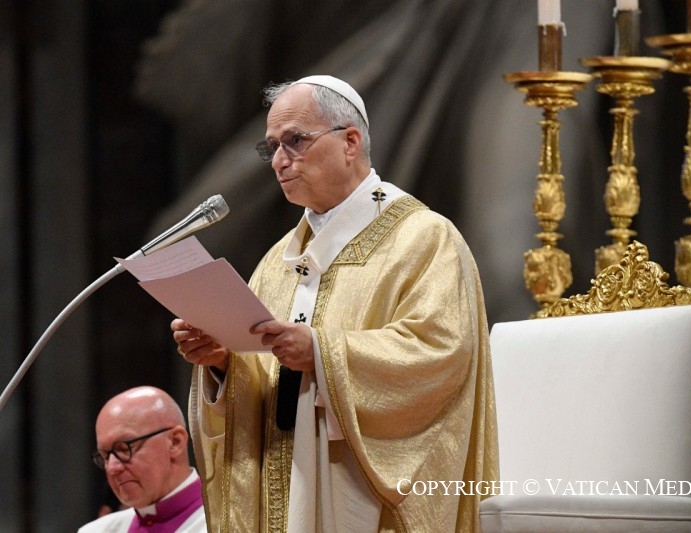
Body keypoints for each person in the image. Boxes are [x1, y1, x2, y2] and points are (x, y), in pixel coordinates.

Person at [171, 74, 498, 532]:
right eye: (271, 148)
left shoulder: (424, 238)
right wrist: (223, 362)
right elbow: (265, 380)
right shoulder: (278, 262)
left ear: (350, 142)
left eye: (295, 141)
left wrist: (322, 355)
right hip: (286, 487)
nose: (279, 161)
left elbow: (443, 353)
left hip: (360, 497)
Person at [79, 386, 206, 532]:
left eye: (124, 448)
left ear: (175, 442)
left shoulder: (228, 524)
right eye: (105, 456)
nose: (112, 468)